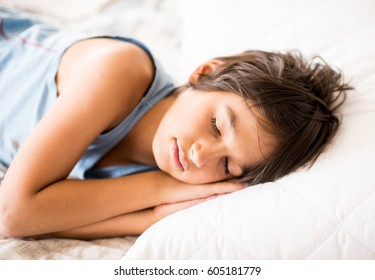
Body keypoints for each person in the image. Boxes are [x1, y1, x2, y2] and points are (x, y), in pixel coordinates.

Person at [0, 8, 352, 240]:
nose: (202, 157)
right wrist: (159, 190)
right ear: (205, 74)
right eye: (216, 125)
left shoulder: (154, 179)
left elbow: (37, 222)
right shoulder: (120, 70)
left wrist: (152, 218)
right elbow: (14, 213)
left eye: (227, 165)